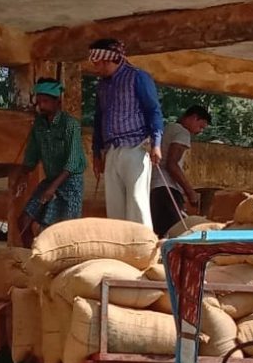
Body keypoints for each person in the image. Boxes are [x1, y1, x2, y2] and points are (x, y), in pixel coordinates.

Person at [87, 38, 165, 229]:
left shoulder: (138, 77)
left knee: (137, 202)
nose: (95, 68)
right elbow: (99, 119)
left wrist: (156, 143)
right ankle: (120, 248)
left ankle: (143, 247)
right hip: (112, 150)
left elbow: (153, 110)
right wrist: (97, 152)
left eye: (97, 62)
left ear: (107, 60)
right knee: (115, 207)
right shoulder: (102, 86)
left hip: (136, 147)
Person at [14, 78, 87, 246]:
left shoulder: (70, 124)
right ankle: (31, 259)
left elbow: (73, 161)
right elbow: (32, 154)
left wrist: (53, 187)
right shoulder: (39, 124)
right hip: (51, 179)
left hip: (70, 183)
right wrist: (24, 175)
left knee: (63, 231)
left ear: (57, 102)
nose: (41, 106)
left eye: (46, 101)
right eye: (39, 101)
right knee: (24, 221)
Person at [149, 105, 212, 237]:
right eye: (200, 126)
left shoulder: (167, 129)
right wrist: (191, 193)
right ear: (193, 118)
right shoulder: (182, 132)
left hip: (154, 187)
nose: (199, 131)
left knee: (159, 234)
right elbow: (172, 164)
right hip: (167, 189)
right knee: (178, 235)